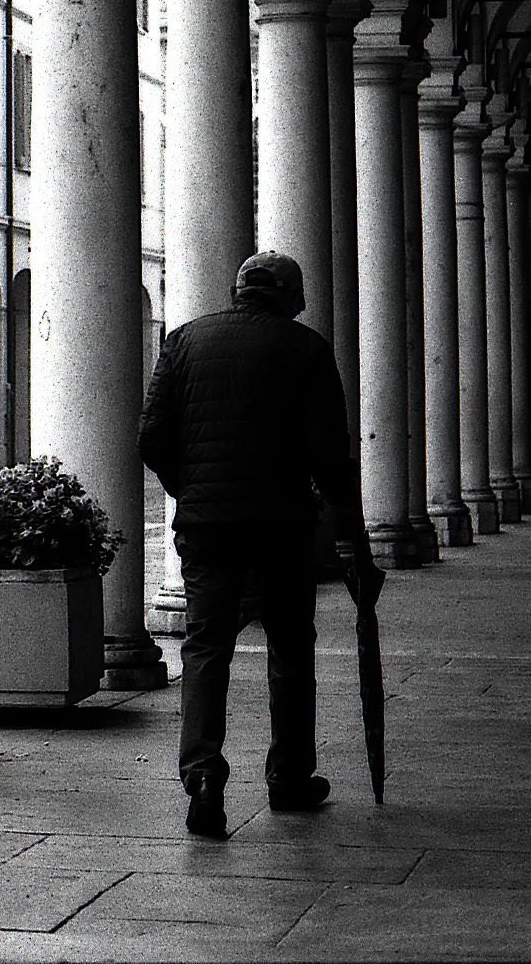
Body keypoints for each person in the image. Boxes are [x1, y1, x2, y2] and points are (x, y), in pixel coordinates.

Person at [137, 250, 384, 839]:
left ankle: (201, 775)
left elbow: (151, 437)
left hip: (206, 524)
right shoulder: (306, 349)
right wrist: (353, 535)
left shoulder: (185, 341)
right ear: (287, 295)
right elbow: (331, 454)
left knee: (204, 648)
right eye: (299, 295)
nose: (302, 304)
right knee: (291, 647)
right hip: (283, 523)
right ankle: (290, 778)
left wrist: (191, 489)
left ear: (240, 289)